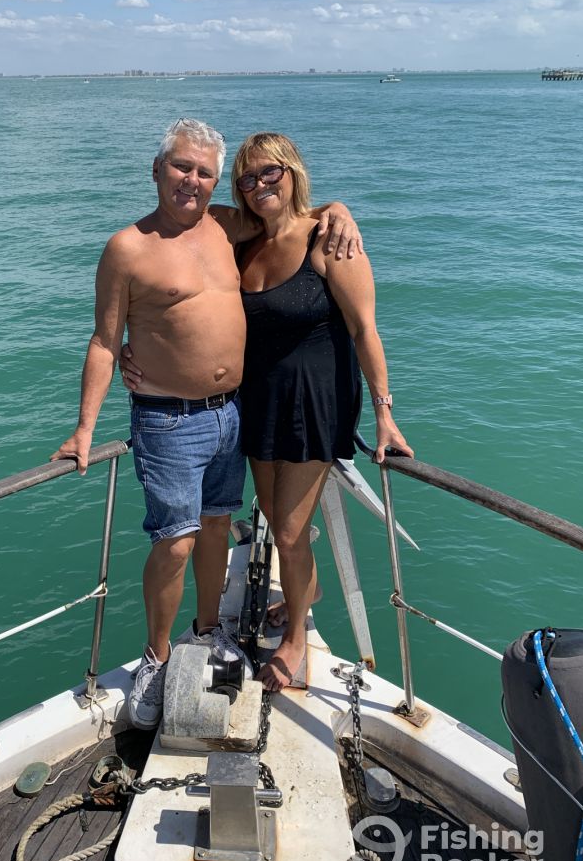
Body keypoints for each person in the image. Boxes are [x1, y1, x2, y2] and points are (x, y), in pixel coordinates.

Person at [51, 119, 362, 729]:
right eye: (181, 167)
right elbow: (105, 341)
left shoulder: (224, 227)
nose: (191, 181)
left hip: (233, 413)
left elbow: (287, 211)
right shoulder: (127, 248)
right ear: (157, 170)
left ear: (215, 182)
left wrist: (339, 209)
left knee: (218, 526)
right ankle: (156, 658)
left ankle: (209, 630)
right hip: (168, 419)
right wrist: (84, 427)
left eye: (204, 172)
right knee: (176, 541)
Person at [123, 130, 413, 695]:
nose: (259, 185)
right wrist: (141, 352)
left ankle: (296, 638)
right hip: (255, 401)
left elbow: (365, 330)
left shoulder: (329, 242)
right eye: (247, 178)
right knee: (278, 520)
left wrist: (384, 412)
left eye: (270, 172)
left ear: (292, 171)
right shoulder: (243, 241)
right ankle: (310, 589)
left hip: (315, 403)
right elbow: (179, 257)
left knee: (289, 530)